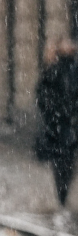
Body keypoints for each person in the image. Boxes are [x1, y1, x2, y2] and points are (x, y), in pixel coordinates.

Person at [35, 40, 78, 210]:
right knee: (64, 161)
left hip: (62, 125)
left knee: (63, 161)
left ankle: (62, 195)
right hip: (63, 125)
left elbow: (42, 94)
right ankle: (62, 195)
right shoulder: (56, 70)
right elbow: (43, 94)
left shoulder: (57, 70)